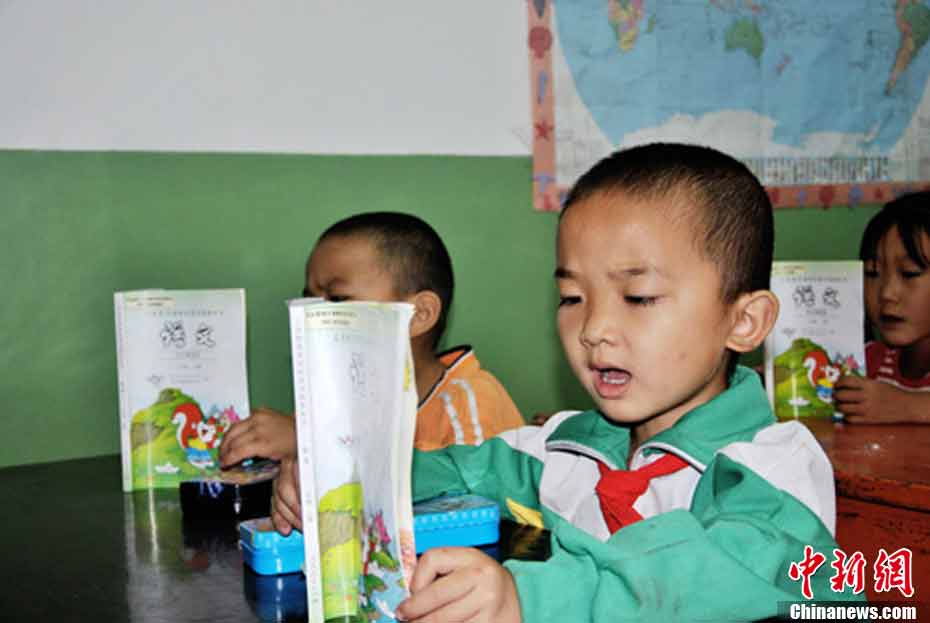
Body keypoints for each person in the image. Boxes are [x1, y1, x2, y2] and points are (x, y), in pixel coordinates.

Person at [274, 144, 860, 621]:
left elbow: (724, 572)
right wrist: (337, 474)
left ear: (744, 321)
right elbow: (446, 473)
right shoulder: (562, 450)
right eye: (572, 297)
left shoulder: (772, 467)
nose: (594, 328)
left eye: (639, 297)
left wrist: (532, 599)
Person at [219, 211, 524, 475]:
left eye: (337, 299)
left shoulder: (468, 403)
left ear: (419, 315)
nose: (313, 318)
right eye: (309, 302)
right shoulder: (339, 399)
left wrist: (311, 443)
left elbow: (471, 496)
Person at [835, 190, 930, 423]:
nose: (887, 293)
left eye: (909, 273)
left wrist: (906, 405)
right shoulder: (866, 362)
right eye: (872, 273)